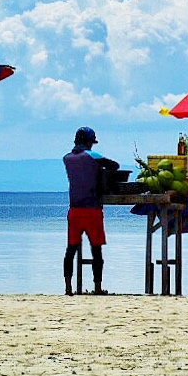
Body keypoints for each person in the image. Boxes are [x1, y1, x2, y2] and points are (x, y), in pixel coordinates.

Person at [63, 126, 116, 295]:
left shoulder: (67, 158)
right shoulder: (93, 156)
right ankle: (98, 287)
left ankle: (68, 287)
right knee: (96, 250)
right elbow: (114, 165)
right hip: (92, 209)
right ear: (89, 142)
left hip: (74, 210)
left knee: (71, 249)